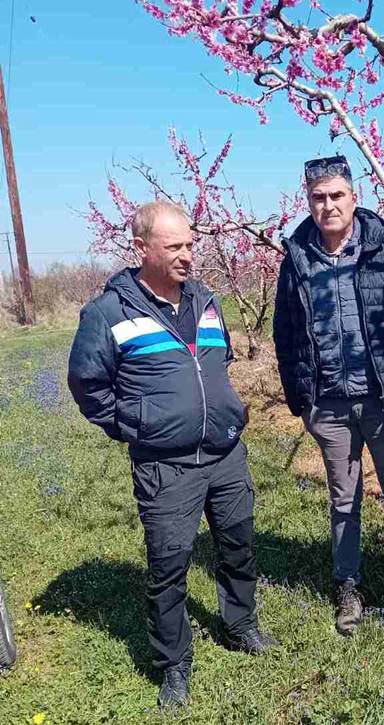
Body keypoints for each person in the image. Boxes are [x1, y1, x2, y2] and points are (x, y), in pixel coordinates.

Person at [68, 201, 275, 710]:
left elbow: (218, 360)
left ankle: (239, 623)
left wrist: (224, 409)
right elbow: (87, 383)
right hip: (166, 466)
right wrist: (137, 424)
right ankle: (174, 664)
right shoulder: (108, 313)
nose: (188, 255)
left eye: (190, 244)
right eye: (175, 246)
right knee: (168, 565)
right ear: (142, 249)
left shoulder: (207, 301)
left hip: (225, 454)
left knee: (238, 544)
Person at [273, 155, 384, 636]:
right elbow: (285, 333)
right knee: (343, 499)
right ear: (308, 201)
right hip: (329, 405)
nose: (328, 206)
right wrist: (301, 401)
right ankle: (348, 585)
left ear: (354, 197)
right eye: (318, 198)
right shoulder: (297, 258)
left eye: (336, 196)